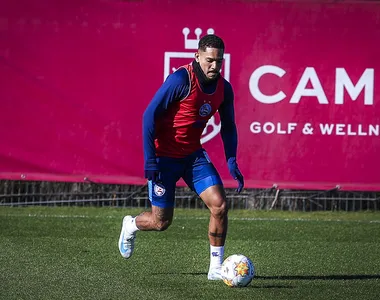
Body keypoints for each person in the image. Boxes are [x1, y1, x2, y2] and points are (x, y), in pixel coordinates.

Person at [118, 34, 244, 280]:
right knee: (161, 222)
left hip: (192, 156)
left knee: (220, 205)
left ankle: (216, 268)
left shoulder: (224, 88)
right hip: (164, 157)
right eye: (209, 60)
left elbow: (228, 126)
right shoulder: (180, 79)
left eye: (219, 61)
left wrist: (231, 160)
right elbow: (148, 117)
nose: (214, 66)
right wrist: (150, 159)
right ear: (197, 56)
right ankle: (131, 225)